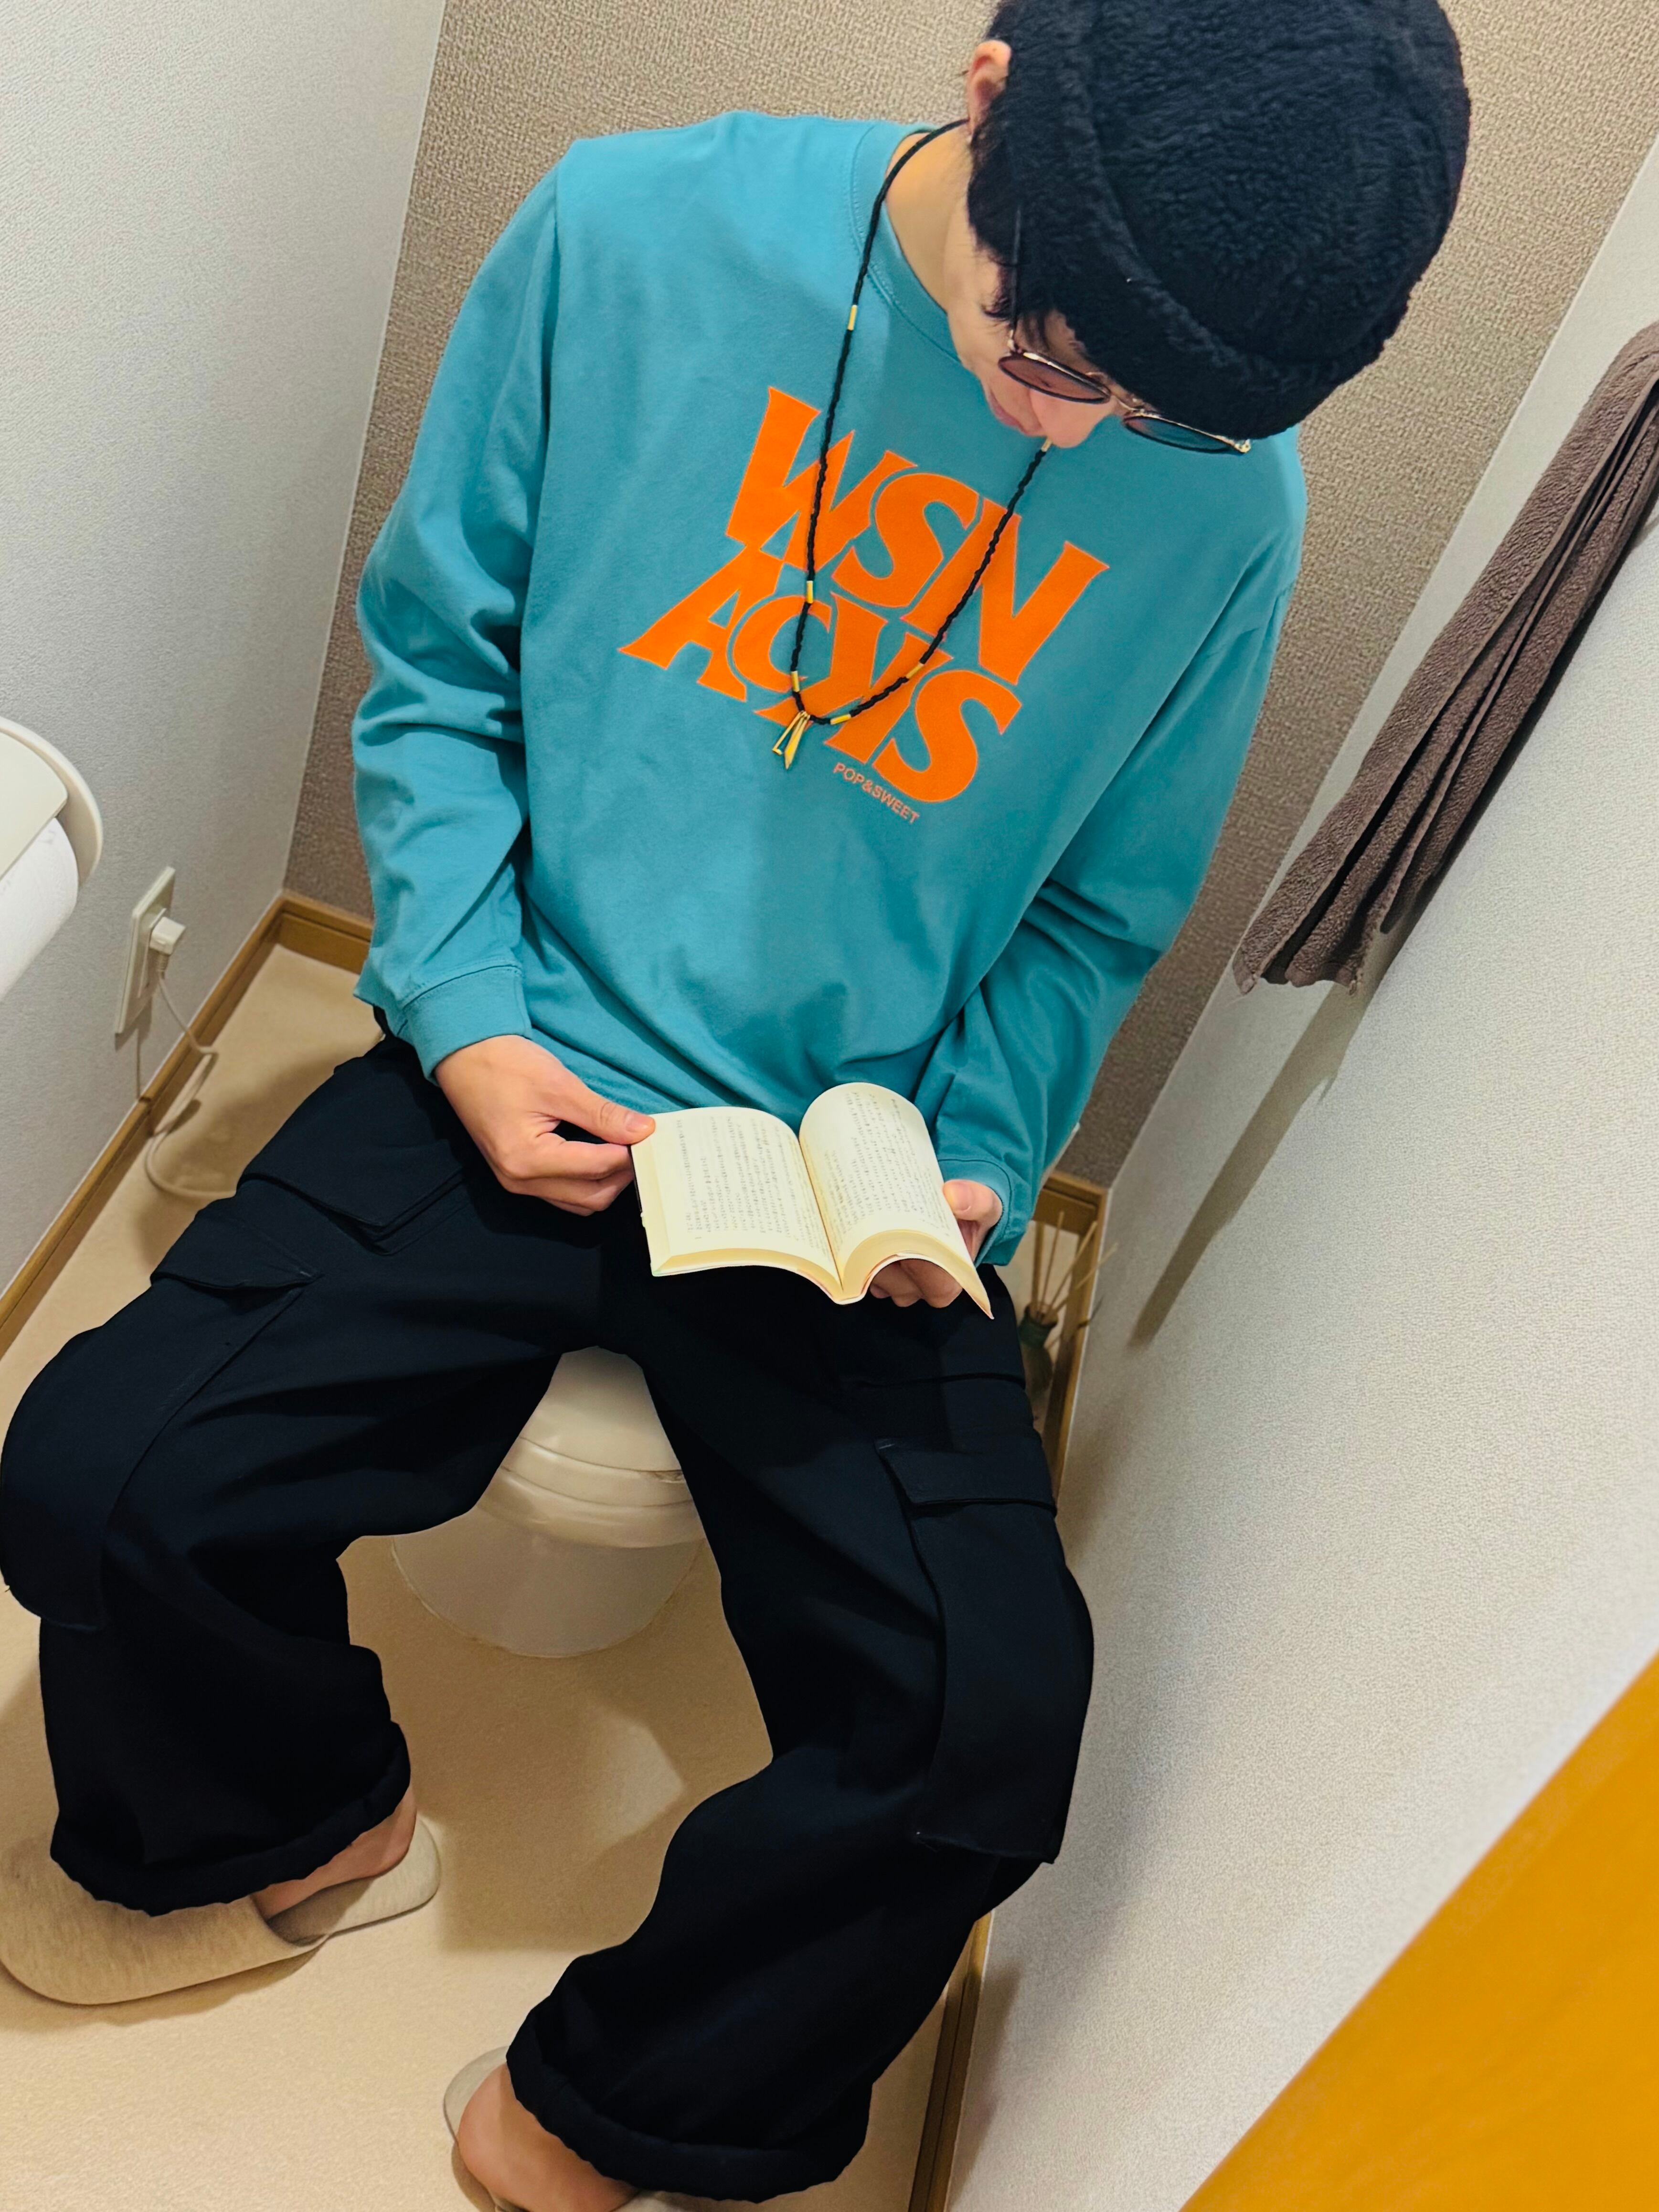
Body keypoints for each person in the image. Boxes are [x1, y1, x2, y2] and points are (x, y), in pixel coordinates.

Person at [0, 3, 1468, 2205]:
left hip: (844, 1172)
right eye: (1055, 354)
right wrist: (467, 1021)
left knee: (982, 1732)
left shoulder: (1218, 499)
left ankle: (611, 2107)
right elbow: (442, 669)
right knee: (97, 1473)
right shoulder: (626, 232)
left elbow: (1091, 913)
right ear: (985, 94)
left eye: (1156, 410)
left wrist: (968, 1160)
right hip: (528, 1047)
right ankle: (303, 1826)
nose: (1076, 427)